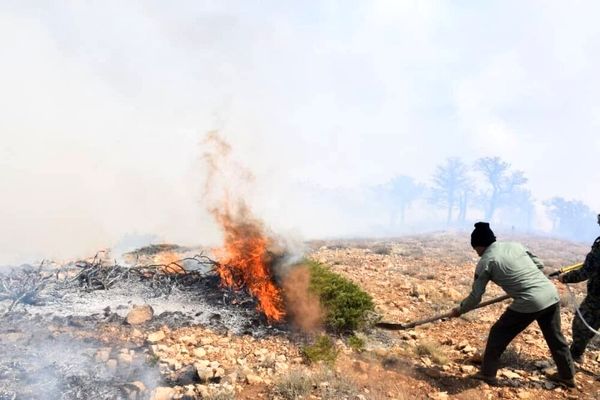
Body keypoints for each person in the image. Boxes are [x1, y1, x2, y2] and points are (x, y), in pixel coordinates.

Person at [451, 222, 575, 387]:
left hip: (530, 300)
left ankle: (487, 374)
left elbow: (475, 297)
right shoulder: (515, 245)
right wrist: (523, 279)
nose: (477, 253)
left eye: (475, 249)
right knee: (555, 337)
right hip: (550, 294)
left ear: (479, 245)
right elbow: (539, 265)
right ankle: (567, 376)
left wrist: (460, 310)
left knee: (497, 334)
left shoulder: (486, 262)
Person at [558, 214, 600, 364]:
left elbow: (585, 272)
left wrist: (565, 278)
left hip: (596, 300)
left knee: (581, 325)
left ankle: (575, 355)